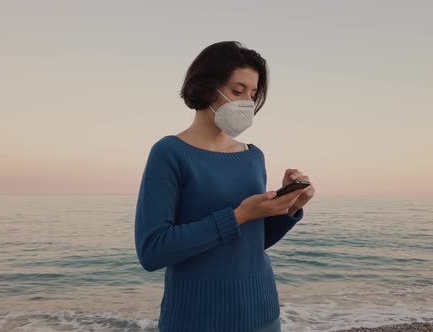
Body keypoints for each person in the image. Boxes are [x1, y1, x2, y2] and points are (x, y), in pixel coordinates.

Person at [134, 41, 315, 332]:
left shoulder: (253, 156)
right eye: (237, 90)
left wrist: (289, 208)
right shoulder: (170, 153)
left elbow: (253, 243)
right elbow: (152, 250)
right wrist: (238, 215)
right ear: (207, 87)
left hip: (263, 315)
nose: (246, 102)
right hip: (195, 321)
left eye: (253, 94)